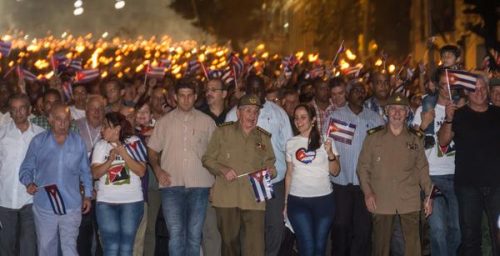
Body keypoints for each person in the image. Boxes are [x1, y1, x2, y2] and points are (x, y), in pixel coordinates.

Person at [357, 93, 433, 256]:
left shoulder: (415, 138)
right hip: (381, 201)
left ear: (407, 113)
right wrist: (368, 193)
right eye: (393, 109)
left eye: (401, 109)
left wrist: (429, 195)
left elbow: (422, 168)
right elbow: (362, 168)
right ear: (386, 112)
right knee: (381, 249)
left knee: (412, 249)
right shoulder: (373, 138)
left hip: (409, 202)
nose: (397, 113)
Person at [225, 75, 293, 256]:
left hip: (273, 179)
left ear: (265, 90)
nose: (255, 93)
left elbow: (289, 148)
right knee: (249, 228)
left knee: (276, 226)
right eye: (252, 89)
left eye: (259, 89)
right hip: (245, 182)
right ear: (246, 90)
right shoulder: (234, 114)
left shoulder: (279, 113)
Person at [148, 78, 216, 256]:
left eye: (189, 95)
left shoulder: (207, 122)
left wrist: (216, 183)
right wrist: (157, 170)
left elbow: (216, 154)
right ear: (175, 97)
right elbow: (152, 151)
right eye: (182, 96)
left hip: (200, 185)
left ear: (195, 97)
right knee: (176, 234)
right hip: (171, 185)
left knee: (194, 236)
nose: (186, 99)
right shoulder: (164, 122)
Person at [202, 94, 276, 256]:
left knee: (255, 247)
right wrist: (223, 169)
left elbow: (271, 162)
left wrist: (271, 171)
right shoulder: (223, 132)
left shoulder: (263, 137)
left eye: (256, 112)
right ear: (238, 113)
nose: (252, 115)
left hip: (255, 198)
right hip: (227, 198)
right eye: (248, 111)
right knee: (229, 246)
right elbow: (207, 159)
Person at [437, 74, 500, 256]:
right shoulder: (458, 114)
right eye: (474, 89)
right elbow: (443, 141)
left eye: (482, 88)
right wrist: (448, 119)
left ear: (487, 90)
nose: (479, 92)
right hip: (468, 186)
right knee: (470, 237)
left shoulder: (497, 113)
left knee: (498, 235)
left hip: (497, 185)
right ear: (466, 91)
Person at [19, 103, 93, 256]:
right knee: (46, 248)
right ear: (50, 119)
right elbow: (26, 167)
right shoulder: (38, 141)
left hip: (71, 204)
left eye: (66, 119)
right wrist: (28, 183)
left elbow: (85, 171)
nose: (63, 123)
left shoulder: (78, 141)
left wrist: (87, 195)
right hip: (45, 205)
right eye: (58, 119)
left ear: (70, 120)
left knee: (70, 247)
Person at [323, 82, 384, 256]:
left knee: (363, 231)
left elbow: (381, 150)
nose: (360, 94)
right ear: (347, 95)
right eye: (355, 91)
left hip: (365, 186)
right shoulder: (335, 118)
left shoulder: (375, 119)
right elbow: (325, 148)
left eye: (362, 91)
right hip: (341, 184)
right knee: (341, 229)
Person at [412, 71, 460, 256]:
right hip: (432, 176)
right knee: (438, 230)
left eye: (452, 86)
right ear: (436, 86)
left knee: (458, 229)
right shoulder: (425, 109)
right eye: (443, 85)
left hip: (457, 176)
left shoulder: (461, 108)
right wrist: (424, 124)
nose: (448, 90)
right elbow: (412, 141)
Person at [284, 104, 340, 255]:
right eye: (296, 118)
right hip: (298, 201)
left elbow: (335, 171)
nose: (298, 121)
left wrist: (330, 154)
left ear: (313, 120)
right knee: (307, 248)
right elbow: (289, 174)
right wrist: (285, 202)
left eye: (303, 118)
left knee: (320, 247)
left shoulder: (326, 141)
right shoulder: (291, 143)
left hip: (324, 201)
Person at [91, 112, 146, 256]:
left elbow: (141, 171)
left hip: (131, 202)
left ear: (116, 129)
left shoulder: (134, 142)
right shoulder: (100, 145)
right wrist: (110, 160)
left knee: (126, 248)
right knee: (111, 248)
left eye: (105, 126)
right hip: (106, 203)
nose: (101, 130)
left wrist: (124, 152)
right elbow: (95, 174)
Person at [0, 93, 44, 256]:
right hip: (4, 200)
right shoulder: (2, 134)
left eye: (22, 108)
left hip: (30, 200)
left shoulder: (40, 135)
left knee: (29, 248)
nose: (18, 113)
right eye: (14, 110)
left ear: (29, 110)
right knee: (5, 248)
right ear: (10, 113)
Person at [198, 78, 227, 256]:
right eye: (207, 90)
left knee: (230, 233)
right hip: (205, 180)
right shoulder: (199, 116)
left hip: (231, 182)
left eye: (214, 90)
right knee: (210, 232)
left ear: (224, 94)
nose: (209, 93)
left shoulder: (233, 116)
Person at [75, 95, 106, 256]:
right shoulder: (75, 127)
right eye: (93, 108)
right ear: (86, 111)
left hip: (105, 192)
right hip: (81, 190)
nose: (97, 112)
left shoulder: (109, 128)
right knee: (83, 235)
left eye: (101, 109)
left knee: (103, 234)